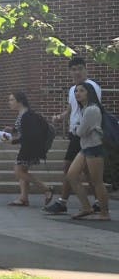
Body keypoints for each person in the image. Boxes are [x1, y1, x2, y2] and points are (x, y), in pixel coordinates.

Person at [43, 57, 102, 215]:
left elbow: (92, 108)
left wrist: (82, 127)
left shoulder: (91, 87)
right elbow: (71, 108)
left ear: (86, 69)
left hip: (84, 134)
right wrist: (61, 117)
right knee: (88, 171)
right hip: (75, 132)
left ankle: (63, 202)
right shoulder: (72, 89)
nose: (77, 72)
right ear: (70, 72)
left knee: (68, 168)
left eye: (80, 68)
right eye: (73, 69)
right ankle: (98, 203)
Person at [66, 82, 111, 220]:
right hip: (85, 147)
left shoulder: (92, 109)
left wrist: (75, 128)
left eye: (81, 91)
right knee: (72, 175)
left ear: (89, 93)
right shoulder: (85, 108)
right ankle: (86, 207)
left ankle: (104, 213)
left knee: (97, 182)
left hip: (94, 148)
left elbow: (80, 132)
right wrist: (78, 128)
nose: (77, 93)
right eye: (76, 91)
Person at [4, 91, 53, 207]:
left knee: (18, 171)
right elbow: (24, 130)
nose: (9, 102)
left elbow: (29, 135)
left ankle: (46, 188)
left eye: (11, 100)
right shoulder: (23, 114)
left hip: (29, 148)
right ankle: (23, 198)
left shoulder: (26, 116)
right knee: (23, 172)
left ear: (19, 101)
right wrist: (13, 130)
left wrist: (13, 141)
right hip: (28, 146)